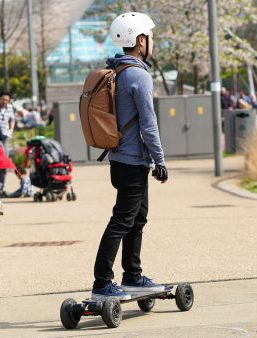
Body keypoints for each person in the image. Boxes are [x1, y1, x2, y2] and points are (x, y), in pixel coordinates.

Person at [88, 11, 168, 301]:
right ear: (140, 39)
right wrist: (160, 160)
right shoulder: (138, 75)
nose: (152, 42)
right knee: (122, 220)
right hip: (133, 161)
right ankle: (102, 282)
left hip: (119, 160)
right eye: (150, 37)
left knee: (137, 218)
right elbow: (149, 123)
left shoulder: (118, 71)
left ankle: (132, 275)